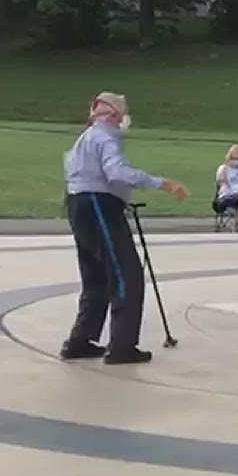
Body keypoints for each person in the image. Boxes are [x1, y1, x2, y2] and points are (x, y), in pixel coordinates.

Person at [62, 92, 187, 366]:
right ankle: (122, 345)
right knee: (125, 274)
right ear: (116, 114)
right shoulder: (105, 137)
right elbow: (116, 172)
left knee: (96, 276)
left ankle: (81, 340)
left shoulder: (85, 137)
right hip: (99, 204)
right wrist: (161, 183)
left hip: (79, 203)